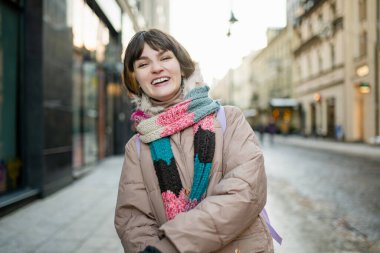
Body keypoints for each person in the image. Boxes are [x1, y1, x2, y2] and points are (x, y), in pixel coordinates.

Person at [115, 28, 275, 253]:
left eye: (165, 57)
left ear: (181, 65)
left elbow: (244, 192)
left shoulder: (228, 119)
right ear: (135, 79)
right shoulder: (137, 147)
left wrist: (172, 246)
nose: (156, 68)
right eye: (143, 64)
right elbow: (133, 220)